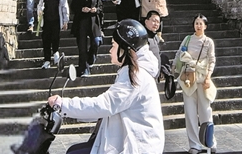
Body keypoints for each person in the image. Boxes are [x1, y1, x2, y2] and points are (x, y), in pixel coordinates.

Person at [48, 19, 164, 154]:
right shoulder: (132, 72)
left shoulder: (136, 76)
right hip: (125, 140)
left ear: (125, 49)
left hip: (136, 146)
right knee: (74, 151)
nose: (110, 50)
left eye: (113, 45)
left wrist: (63, 104)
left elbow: (104, 105)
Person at [175, 14, 217, 154]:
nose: (198, 26)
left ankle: (209, 141)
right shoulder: (187, 39)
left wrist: (208, 77)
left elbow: (212, 60)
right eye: (196, 23)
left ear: (205, 26)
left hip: (202, 78)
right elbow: (179, 54)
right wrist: (173, 68)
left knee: (206, 111)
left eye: (201, 23)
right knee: (190, 112)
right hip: (188, 78)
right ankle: (194, 144)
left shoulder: (208, 42)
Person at [71, 0, 105, 77]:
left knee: (96, 41)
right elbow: (73, 7)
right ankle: (84, 69)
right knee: (82, 47)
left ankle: (92, 57)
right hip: (82, 22)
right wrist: (82, 9)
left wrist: (96, 10)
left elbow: (101, 8)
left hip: (94, 22)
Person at [39, 0, 69, 69]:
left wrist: (65, 21)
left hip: (56, 20)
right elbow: (40, 5)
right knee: (46, 39)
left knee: (55, 38)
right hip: (47, 20)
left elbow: (65, 8)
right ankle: (47, 60)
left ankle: (56, 54)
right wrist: (40, 11)